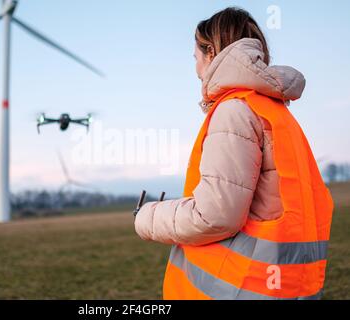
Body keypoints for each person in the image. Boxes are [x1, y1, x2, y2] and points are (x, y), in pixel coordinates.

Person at [134, 7, 334, 300]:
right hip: (283, 286)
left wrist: (146, 217)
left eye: (196, 56)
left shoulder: (234, 110)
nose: (195, 65)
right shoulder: (272, 109)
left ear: (211, 52)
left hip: (242, 286)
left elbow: (215, 215)